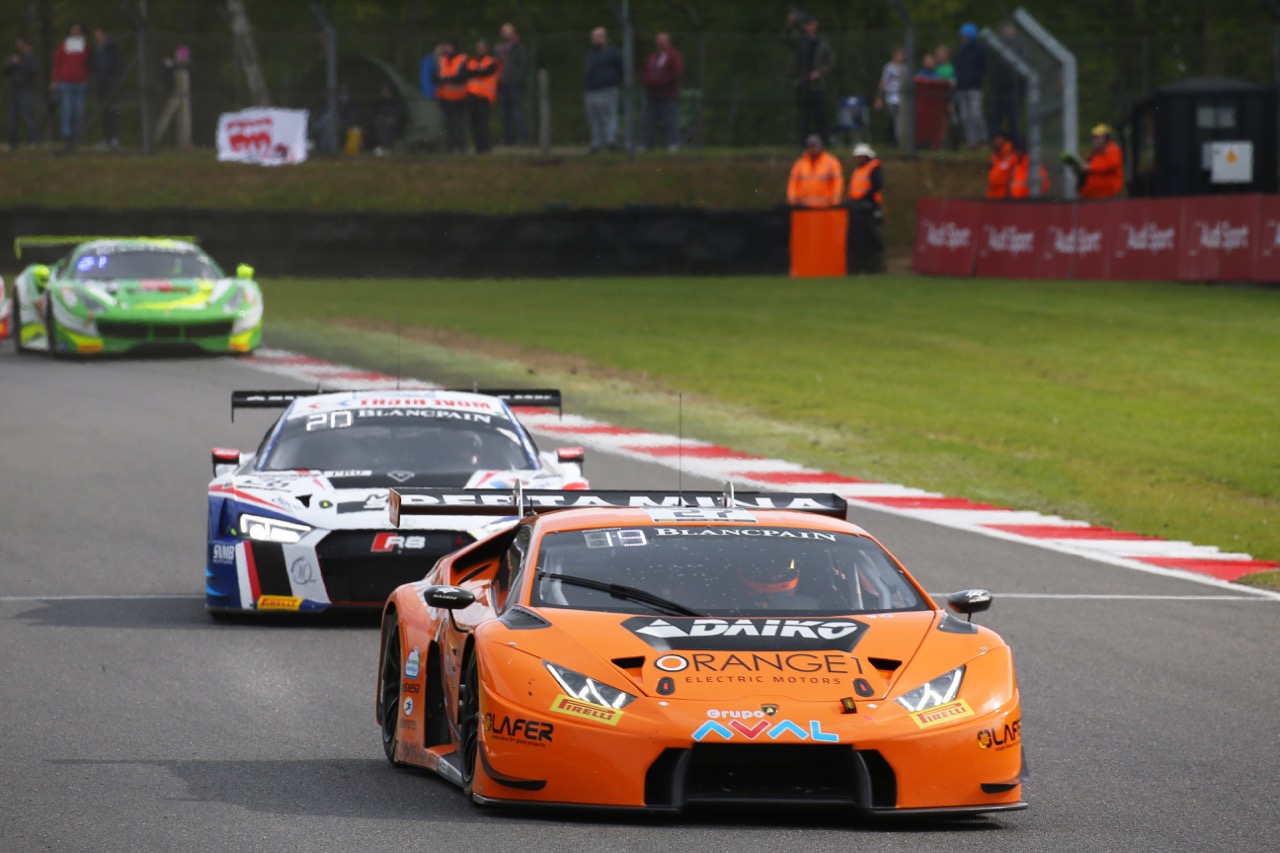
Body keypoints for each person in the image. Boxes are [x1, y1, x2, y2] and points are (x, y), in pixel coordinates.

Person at [783, 11, 836, 147]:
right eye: (806, 24)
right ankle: (802, 143)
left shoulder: (823, 42)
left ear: (816, 25)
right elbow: (786, 39)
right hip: (802, 83)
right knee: (803, 116)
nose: (809, 27)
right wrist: (790, 22)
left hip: (817, 84)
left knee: (820, 115)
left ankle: (825, 142)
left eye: (811, 24)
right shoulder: (801, 41)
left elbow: (831, 61)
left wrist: (820, 72)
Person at [640, 32, 683, 153]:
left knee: (671, 120)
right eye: (659, 41)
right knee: (649, 120)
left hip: (668, 94)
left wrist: (660, 81)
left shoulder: (673, 56)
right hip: (652, 94)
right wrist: (649, 82)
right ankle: (648, 144)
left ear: (668, 42)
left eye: (663, 41)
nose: (661, 44)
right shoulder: (652, 57)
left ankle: (673, 144)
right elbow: (644, 72)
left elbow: (676, 72)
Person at [583, 26, 623, 153]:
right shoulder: (591, 54)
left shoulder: (613, 53)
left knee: (608, 117)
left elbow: (621, 69)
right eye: (594, 36)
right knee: (594, 119)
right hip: (592, 91)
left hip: (607, 90)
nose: (595, 39)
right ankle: (596, 144)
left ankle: (611, 142)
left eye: (598, 36)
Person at [846, 142, 885, 273]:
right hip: (857, 208)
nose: (856, 159)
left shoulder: (873, 168)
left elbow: (876, 186)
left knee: (873, 238)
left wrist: (863, 199)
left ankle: (875, 266)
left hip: (869, 208)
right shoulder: (860, 169)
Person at [50, 22, 90, 146]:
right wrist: (54, 80)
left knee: (78, 111)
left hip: (80, 83)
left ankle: (78, 136)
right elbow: (57, 63)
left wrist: (87, 78)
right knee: (67, 110)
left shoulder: (85, 47)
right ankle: (67, 136)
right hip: (66, 82)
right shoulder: (63, 46)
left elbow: (89, 63)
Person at [987, 23, 1023, 142]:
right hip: (998, 89)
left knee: (1013, 117)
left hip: (1012, 88)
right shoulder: (997, 47)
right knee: (995, 117)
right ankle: (995, 141)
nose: (1006, 34)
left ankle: (1014, 142)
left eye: (1009, 31)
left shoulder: (1019, 47)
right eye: (1004, 31)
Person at [1068, 124, 1124, 199]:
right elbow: (1085, 166)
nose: (1096, 140)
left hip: (1107, 196)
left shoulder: (1113, 149)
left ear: (1106, 138)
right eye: (1094, 137)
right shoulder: (1093, 152)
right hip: (1089, 195)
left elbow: (1109, 164)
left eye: (1099, 137)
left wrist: (1089, 167)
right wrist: (1079, 168)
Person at [786, 134, 843, 209]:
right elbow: (793, 183)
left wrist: (835, 201)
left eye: (815, 145)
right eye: (810, 146)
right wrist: (792, 201)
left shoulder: (831, 163)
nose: (813, 148)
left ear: (821, 146)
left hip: (825, 207)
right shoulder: (800, 164)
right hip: (803, 207)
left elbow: (837, 183)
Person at [954, 23, 987, 149]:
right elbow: (959, 67)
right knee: (965, 116)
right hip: (962, 88)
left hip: (974, 88)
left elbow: (983, 68)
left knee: (975, 114)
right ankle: (972, 142)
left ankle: (982, 138)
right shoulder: (962, 50)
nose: (963, 38)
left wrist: (973, 78)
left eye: (964, 36)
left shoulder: (979, 49)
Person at [433, 39, 468, 153]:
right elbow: (435, 77)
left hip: (459, 97)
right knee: (448, 124)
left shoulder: (461, 59)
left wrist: (447, 79)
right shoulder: (442, 60)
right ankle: (451, 147)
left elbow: (461, 77)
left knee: (459, 123)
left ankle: (461, 146)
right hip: (445, 97)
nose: (445, 49)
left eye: (447, 47)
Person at [154, 44, 192, 148]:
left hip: (184, 95)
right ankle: (154, 139)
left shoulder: (183, 66)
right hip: (176, 94)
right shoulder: (172, 67)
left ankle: (184, 143)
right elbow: (167, 80)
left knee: (185, 120)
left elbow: (184, 67)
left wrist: (171, 65)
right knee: (166, 116)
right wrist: (169, 67)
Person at [4, 36, 38, 149]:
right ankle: (13, 143)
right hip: (15, 90)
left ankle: (33, 141)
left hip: (26, 90)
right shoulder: (17, 57)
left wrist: (19, 63)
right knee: (12, 117)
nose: (19, 47)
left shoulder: (30, 57)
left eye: (21, 44)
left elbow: (32, 72)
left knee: (29, 117)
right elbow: (6, 72)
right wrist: (9, 64)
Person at [496, 23, 527, 145]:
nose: (506, 34)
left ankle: (522, 138)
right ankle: (507, 139)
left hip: (514, 84)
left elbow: (522, 64)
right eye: (504, 32)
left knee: (517, 111)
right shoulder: (500, 49)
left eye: (508, 32)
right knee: (505, 114)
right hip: (502, 84)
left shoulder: (518, 47)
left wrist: (516, 79)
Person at [465, 39, 499, 154]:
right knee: (474, 123)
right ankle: (478, 148)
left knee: (483, 123)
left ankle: (485, 147)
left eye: (482, 47)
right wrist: (477, 72)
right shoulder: (472, 61)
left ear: (486, 49)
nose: (480, 50)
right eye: (478, 47)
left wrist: (475, 72)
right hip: (472, 96)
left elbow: (485, 72)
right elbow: (467, 73)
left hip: (484, 96)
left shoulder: (490, 61)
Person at [90, 26, 121, 148]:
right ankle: (107, 138)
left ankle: (114, 137)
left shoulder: (112, 47)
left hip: (110, 83)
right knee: (104, 111)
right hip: (100, 83)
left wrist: (114, 80)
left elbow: (117, 64)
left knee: (112, 110)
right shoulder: (96, 48)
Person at [875, 46, 906, 148]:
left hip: (903, 98)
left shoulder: (905, 68)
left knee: (899, 120)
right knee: (894, 119)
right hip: (892, 97)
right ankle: (891, 141)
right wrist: (880, 97)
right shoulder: (889, 68)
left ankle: (895, 141)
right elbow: (883, 82)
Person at [372, 84, 402, 156]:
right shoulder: (380, 102)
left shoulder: (396, 102)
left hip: (395, 123)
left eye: (386, 91)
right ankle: (383, 146)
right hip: (383, 122)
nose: (384, 93)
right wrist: (384, 119)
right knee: (382, 125)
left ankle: (387, 146)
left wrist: (393, 119)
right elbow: (377, 114)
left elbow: (399, 114)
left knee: (389, 126)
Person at [986, 131, 1016, 199]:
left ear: (1004, 140)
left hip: (1004, 195)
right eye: (995, 139)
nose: (997, 141)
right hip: (992, 194)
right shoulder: (993, 157)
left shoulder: (1011, 156)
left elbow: (1013, 176)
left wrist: (1010, 193)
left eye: (999, 138)